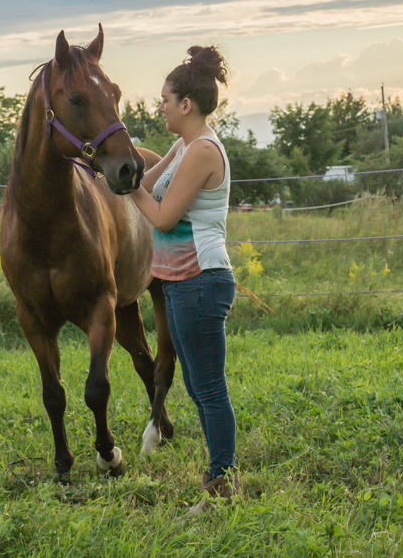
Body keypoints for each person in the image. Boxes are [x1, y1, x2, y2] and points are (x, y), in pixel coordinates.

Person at [127, 45, 237, 499]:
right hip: (177, 283)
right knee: (196, 385)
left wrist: (128, 191)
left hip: (201, 279)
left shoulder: (202, 152)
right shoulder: (183, 146)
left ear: (185, 104)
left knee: (209, 389)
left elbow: (162, 215)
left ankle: (222, 482)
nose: (161, 107)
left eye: (165, 100)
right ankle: (219, 474)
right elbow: (144, 182)